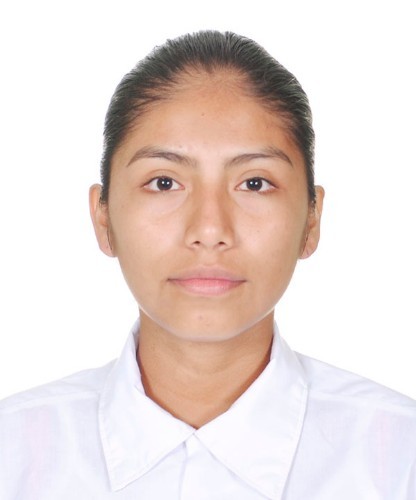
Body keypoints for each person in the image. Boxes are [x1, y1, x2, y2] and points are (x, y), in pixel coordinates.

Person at [0, 30, 415, 500]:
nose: (210, 228)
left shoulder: (400, 459)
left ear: (311, 220)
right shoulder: (14, 455)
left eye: (255, 183)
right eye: (163, 182)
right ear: (103, 218)